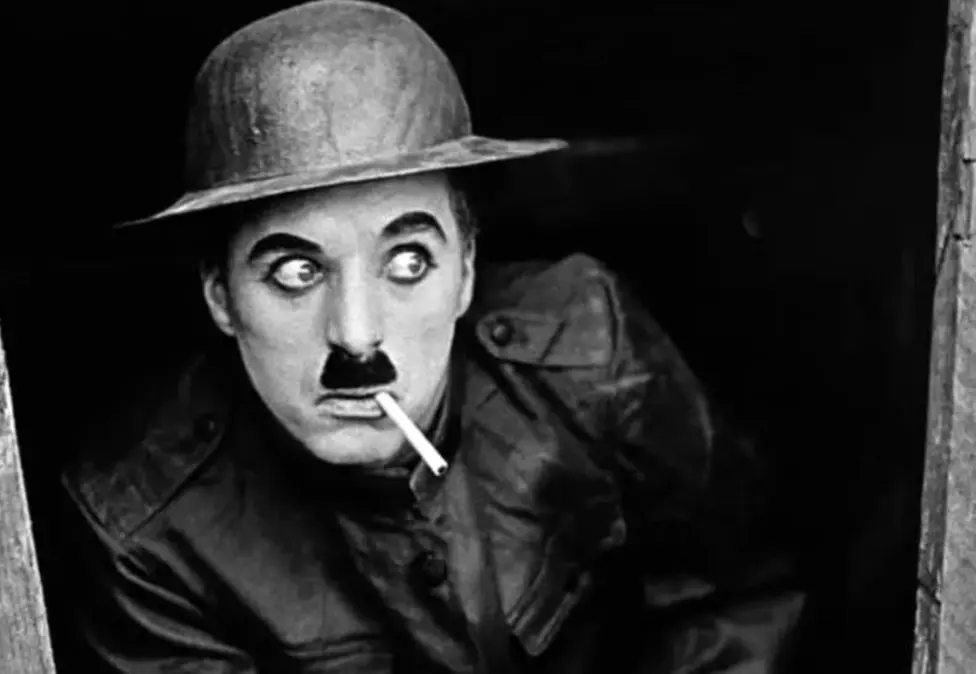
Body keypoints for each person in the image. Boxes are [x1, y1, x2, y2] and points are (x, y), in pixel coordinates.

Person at [59, 1, 805, 672]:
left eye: (408, 262)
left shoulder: (584, 348)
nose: (356, 337)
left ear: (467, 270)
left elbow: (734, 596)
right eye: (296, 272)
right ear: (221, 295)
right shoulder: (148, 533)